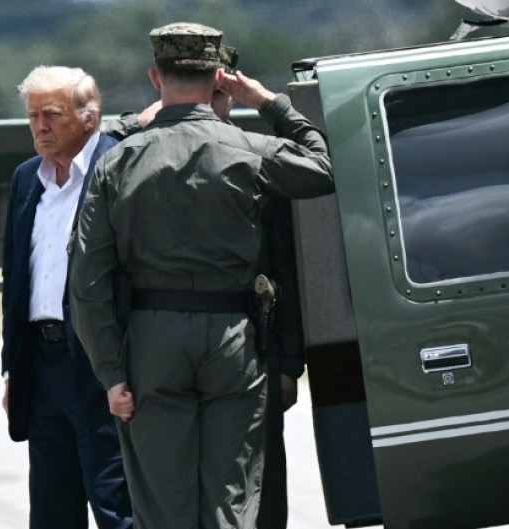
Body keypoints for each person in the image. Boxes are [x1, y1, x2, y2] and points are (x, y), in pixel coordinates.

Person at [70, 22, 333, 529]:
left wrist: (112, 373)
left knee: (161, 509)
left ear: (154, 78)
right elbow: (322, 167)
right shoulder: (249, 148)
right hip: (233, 340)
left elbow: (87, 278)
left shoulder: (118, 162)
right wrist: (268, 103)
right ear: (219, 79)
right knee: (231, 504)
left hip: (152, 341)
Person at [0, 65, 132, 529]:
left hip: (101, 367)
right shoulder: (25, 179)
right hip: (42, 365)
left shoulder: (120, 168)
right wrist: (13, 368)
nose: (40, 126)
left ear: (89, 119)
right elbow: (15, 279)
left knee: (116, 505)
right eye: (33, 116)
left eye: (52, 115)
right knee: (52, 509)